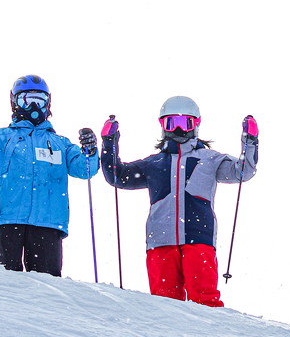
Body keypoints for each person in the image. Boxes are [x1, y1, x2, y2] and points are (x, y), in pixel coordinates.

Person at [100, 96, 257, 307]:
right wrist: (109, 145)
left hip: (198, 238)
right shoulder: (153, 163)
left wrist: (250, 142)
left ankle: (210, 336)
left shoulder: (209, 159)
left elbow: (242, 171)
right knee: (164, 304)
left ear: (196, 125)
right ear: (163, 126)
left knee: (204, 298)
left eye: (186, 123)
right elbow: (117, 176)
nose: (179, 130)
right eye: (172, 123)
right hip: (161, 241)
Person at [0, 75, 100, 275]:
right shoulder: (2, 137)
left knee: (46, 282)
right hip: (8, 217)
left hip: (47, 221)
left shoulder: (60, 143)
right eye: (26, 100)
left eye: (39, 100)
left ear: (48, 104)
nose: (33, 106)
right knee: (2, 277)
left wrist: (90, 152)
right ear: (15, 102)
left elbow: (84, 169)